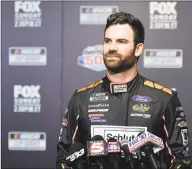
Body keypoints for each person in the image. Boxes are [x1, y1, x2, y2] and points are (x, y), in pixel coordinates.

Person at [56, 12, 191, 169]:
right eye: (107, 41)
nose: (112, 47)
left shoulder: (164, 99)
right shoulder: (81, 99)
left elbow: (182, 160)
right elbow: (64, 158)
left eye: (121, 41)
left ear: (138, 48)